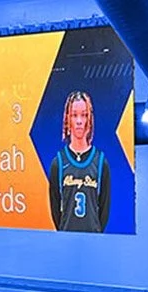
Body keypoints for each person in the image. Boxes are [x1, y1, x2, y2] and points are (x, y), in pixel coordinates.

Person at [47, 91, 112, 233]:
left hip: (93, 240)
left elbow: (104, 208)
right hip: (66, 239)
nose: (79, 121)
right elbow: (55, 207)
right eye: (74, 115)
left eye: (84, 115)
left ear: (89, 119)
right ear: (67, 119)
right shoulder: (58, 163)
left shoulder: (100, 162)